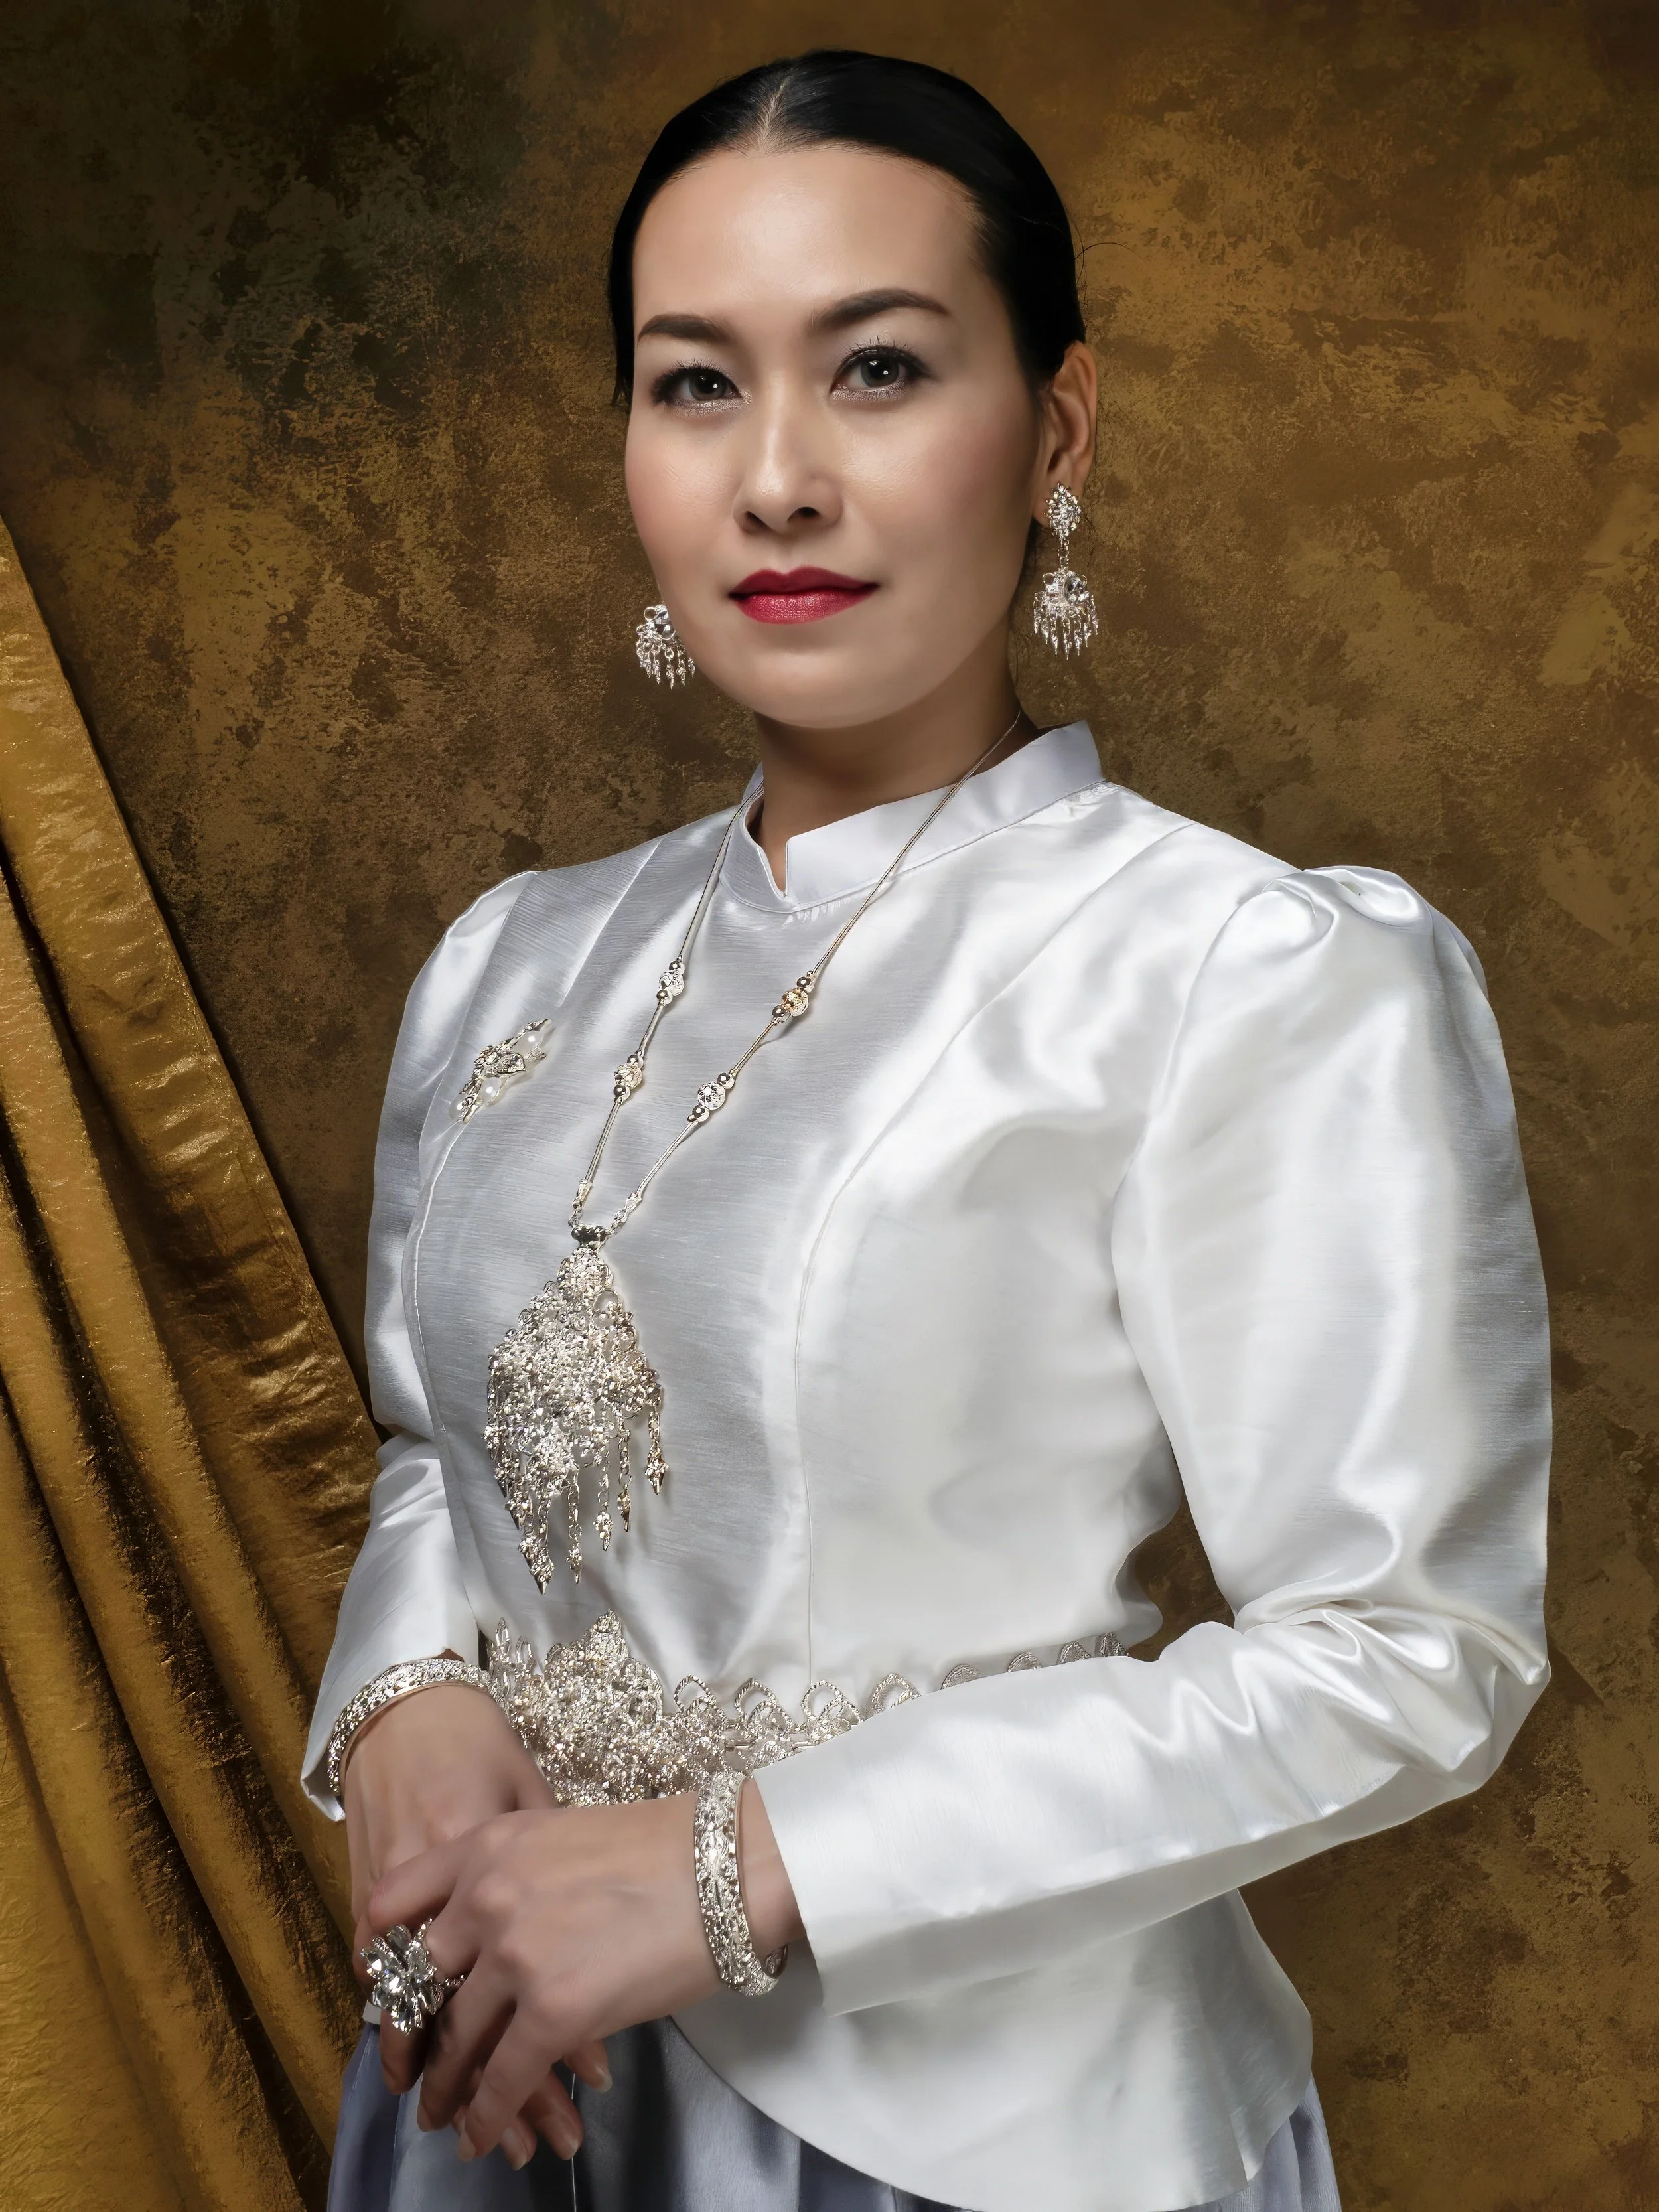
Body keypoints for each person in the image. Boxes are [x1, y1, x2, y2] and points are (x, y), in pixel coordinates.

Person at [305, 50, 1551, 2212]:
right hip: (502, 2080)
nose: (776, 478)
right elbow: (443, 1443)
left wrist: (733, 1867)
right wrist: (409, 1712)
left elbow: (1405, 1652)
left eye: (874, 370)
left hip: (984, 2138)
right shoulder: (516, 960)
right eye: (696, 384)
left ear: (1053, 429)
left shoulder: (1238, 967)